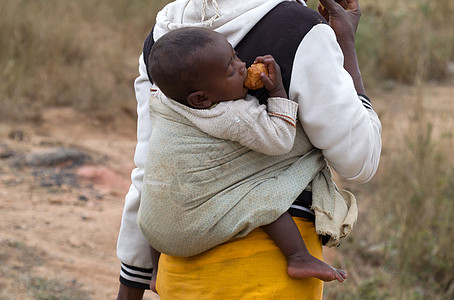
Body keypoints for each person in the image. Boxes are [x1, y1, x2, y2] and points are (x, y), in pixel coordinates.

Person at [116, 0, 382, 299]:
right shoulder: (299, 28)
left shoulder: (163, 35)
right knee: (262, 200)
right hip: (264, 272)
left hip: (178, 274)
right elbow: (359, 161)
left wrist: (132, 285)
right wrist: (344, 44)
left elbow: (152, 167)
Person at [140, 26, 348, 291]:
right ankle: (298, 257)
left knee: (159, 197)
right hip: (189, 233)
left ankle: (156, 273)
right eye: (230, 70)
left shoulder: (163, 101)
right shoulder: (234, 117)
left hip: (155, 231)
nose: (242, 67)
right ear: (201, 99)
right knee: (260, 197)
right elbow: (280, 140)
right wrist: (278, 93)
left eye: (236, 56)